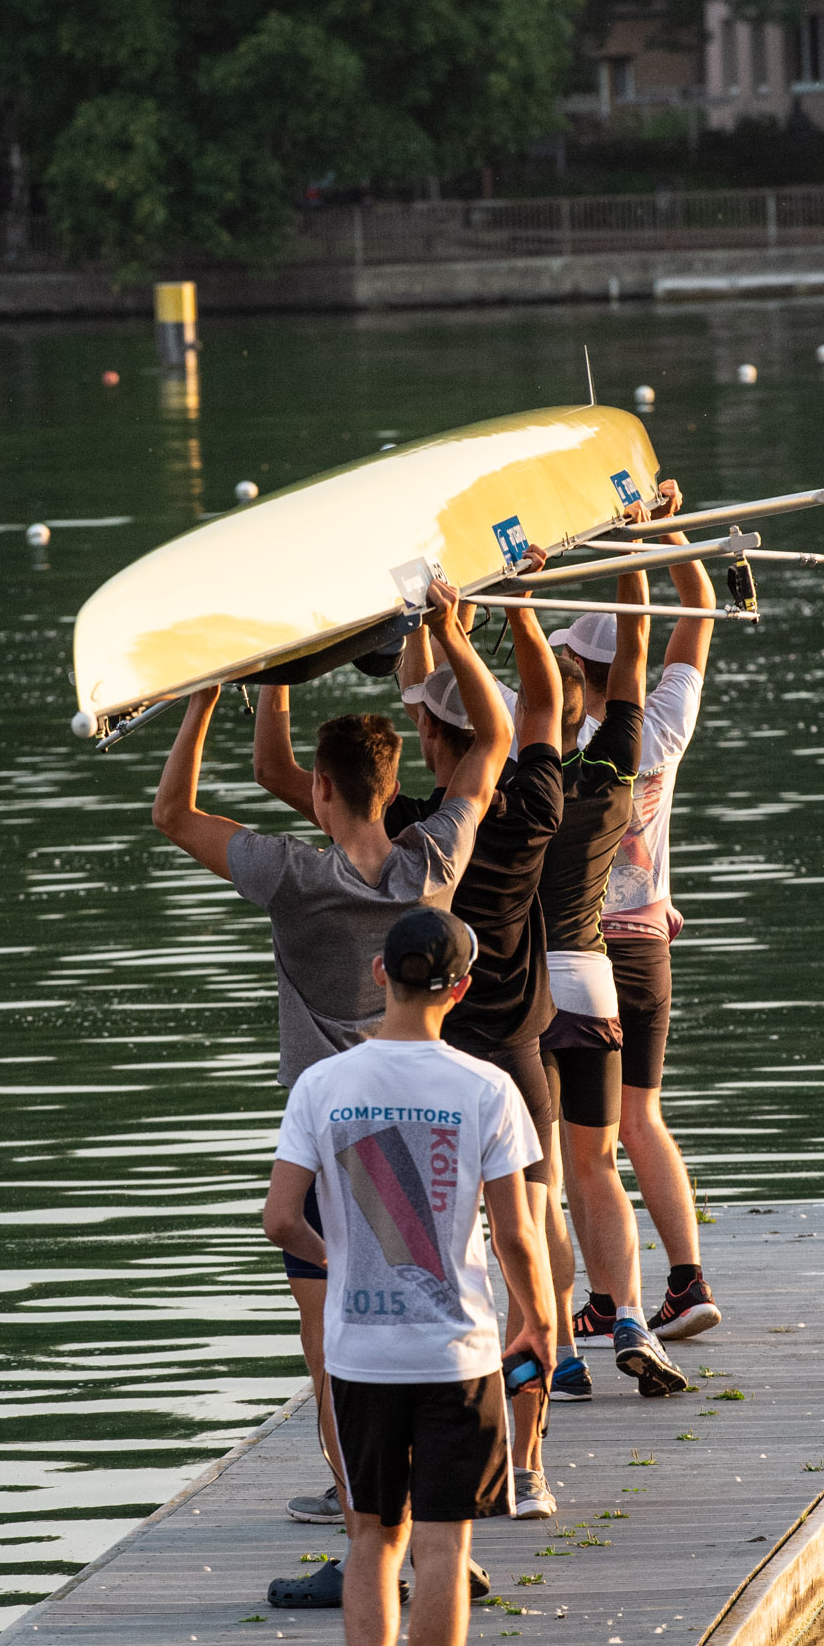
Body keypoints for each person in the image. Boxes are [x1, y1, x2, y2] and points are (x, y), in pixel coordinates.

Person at [151, 582, 510, 1596]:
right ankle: (443, 1549)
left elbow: (170, 811)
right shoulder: (430, 861)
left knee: (333, 1360)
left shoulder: (290, 878)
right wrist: (444, 630)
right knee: (429, 1333)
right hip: (424, 1143)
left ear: (319, 791)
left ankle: (364, 1547)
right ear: (388, 781)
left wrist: (215, 693)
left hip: (327, 1151)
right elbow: (488, 744)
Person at [255, 601, 563, 1520]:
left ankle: (363, 1504)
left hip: (375, 1099)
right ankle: (520, 1467)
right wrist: (464, 634)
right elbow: (516, 721)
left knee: (355, 1320)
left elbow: (276, 779)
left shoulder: (347, 866)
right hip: (491, 1066)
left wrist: (265, 670)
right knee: (504, 1256)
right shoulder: (468, 837)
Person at [262, 906, 554, 1646]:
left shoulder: (323, 1085)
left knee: (368, 1539)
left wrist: (345, 1268)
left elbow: (278, 1220)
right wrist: (540, 1324)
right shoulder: (486, 1090)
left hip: (359, 1354)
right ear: (460, 990)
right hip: (456, 1347)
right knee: (440, 1546)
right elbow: (515, 1233)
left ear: (380, 973)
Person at [547, 485, 720, 1390]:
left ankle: (605, 1303)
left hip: (585, 949)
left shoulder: (548, 744)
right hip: (650, 942)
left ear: (573, 664)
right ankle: (685, 1281)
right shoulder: (663, 725)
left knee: (583, 1143)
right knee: (641, 1116)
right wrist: (660, 532)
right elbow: (695, 610)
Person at [538, 561, 687, 1400]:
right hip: (597, 978)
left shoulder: (504, 794)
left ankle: (560, 1349)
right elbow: (635, 662)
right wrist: (636, 564)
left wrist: (434, 633)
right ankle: (630, 1314)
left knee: (541, 1182)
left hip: (525, 996)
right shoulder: (608, 785)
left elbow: (451, 723)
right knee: (597, 1163)